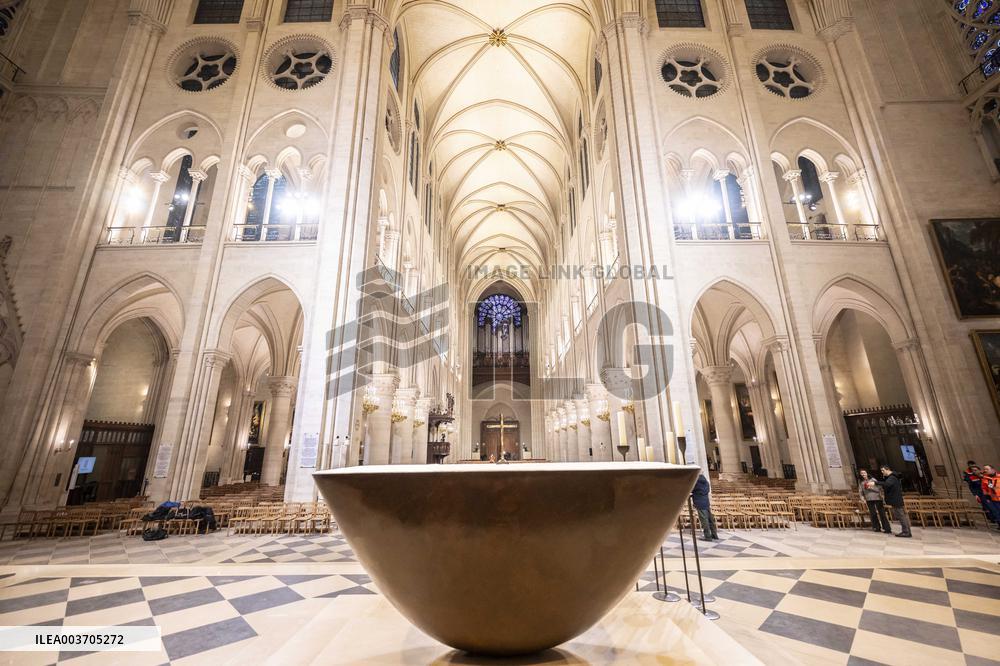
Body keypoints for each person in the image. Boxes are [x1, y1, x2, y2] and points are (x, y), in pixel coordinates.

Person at [875, 465, 911, 537]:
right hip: (896, 499)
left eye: (883, 470)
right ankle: (907, 531)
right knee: (901, 515)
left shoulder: (892, 477)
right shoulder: (892, 477)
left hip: (896, 499)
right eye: (881, 471)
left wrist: (876, 482)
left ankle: (906, 532)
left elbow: (887, 484)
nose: (882, 472)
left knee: (901, 516)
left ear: (888, 469)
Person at [859, 470, 891, 534]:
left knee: (882, 513)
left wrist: (871, 487)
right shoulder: (861, 482)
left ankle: (887, 528)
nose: (863, 474)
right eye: (862, 473)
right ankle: (877, 527)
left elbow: (879, 489)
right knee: (873, 514)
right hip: (869, 499)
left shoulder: (873, 480)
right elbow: (861, 492)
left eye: (864, 473)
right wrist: (862, 498)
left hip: (877, 498)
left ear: (867, 473)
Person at [691, 474, 719, 541]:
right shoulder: (706, 482)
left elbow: (692, 489)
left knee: (704, 520)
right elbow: (707, 490)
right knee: (710, 519)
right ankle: (714, 534)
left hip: (700, 503)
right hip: (706, 502)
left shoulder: (696, 483)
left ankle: (707, 536)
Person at [980, 464, 1000, 530]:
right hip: (993, 499)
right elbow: (984, 489)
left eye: (987, 469)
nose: (985, 470)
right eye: (984, 469)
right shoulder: (985, 479)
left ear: (993, 470)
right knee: (996, 513)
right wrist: (987, 498)